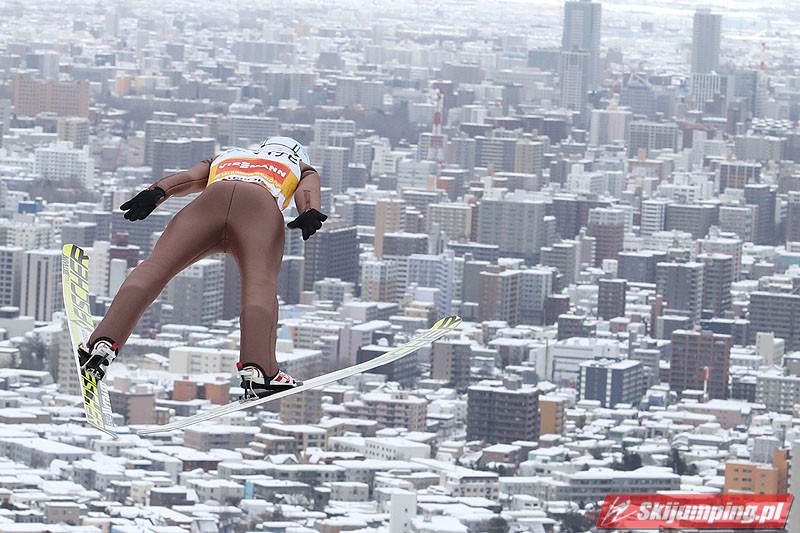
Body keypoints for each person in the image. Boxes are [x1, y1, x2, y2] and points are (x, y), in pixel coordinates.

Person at [77, 137, 328, 399]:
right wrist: (309, 210)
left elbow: (188, 177)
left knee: (157, 266)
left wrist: (157, 191)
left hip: (208, 205)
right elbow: (307, 189)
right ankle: (259, 369)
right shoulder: (300, 166)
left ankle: (103, 341)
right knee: (259, 284)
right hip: (259, 209)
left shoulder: (230, 155)